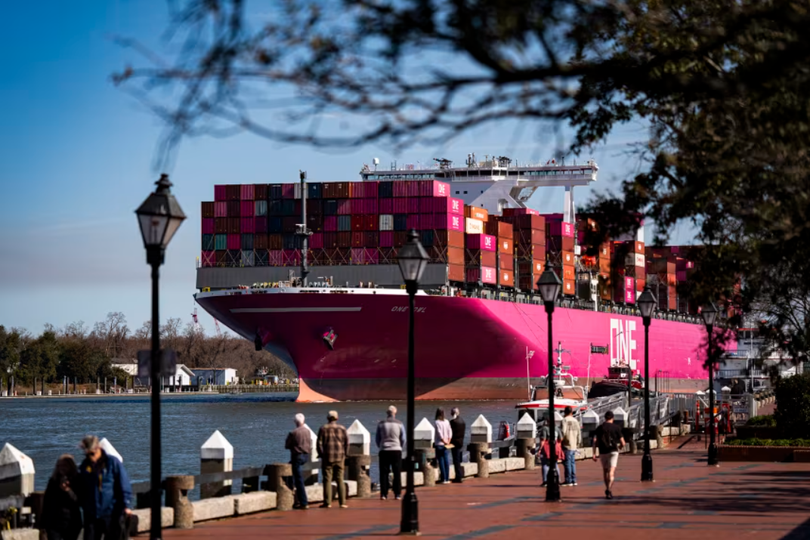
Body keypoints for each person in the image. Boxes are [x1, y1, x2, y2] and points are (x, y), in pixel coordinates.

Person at [77, 435, 132, 540]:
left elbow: (124, 484)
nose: (91, 458)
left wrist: (126, 504)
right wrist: (84, 505)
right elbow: (81, 487)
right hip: (91, 514)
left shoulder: (112, 463)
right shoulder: (85, 466)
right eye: (87, 455)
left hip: (111, 513)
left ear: (98, 448)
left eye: (92, 454)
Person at [41, 455, 83, 540]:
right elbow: (46, 502)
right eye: (59, 466)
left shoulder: (77, 480)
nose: (62, 468)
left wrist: (68, 491)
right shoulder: (53, 481)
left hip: (72, 520)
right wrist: (43, 524)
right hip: (54, 521)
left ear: (70, 466)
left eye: (64, 465)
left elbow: (79, 501)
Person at [316, 410, 349, 508]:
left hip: (327, 457)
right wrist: (345, 454)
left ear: (327, 418)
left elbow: (319, 444)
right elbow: (347, 443)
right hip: (340, 457)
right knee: (340, 479)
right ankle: (342, 503)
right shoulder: (342, 428)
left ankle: (327, 503)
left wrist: (321, 454)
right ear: (337, 418)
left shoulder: (323, 428)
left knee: (327, 480)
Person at [592, 411, 626, 499]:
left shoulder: (599, 428)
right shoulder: (616, 427)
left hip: (603, 451)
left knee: (605, 471)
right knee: (611, 471)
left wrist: (594, 453)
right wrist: (620, 447)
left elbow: (595, 441)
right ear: (612, 418)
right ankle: (609, 489)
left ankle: (607, 488)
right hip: (613, 451)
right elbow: (623, 442)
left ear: (605, 418)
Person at [375, 405, 405, 500]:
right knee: (397, 473)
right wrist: (399, 447)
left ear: (387, 413)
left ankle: (384, 494)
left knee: (384, 473)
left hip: (384, 450)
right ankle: (397, 494)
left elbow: (377, 439)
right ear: (395, 413)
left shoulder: (381, 424)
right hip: (396, 450)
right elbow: (403, 439)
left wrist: (381, 446)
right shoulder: (400, 424)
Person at [285, 413, 311, 509]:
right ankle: (296, 497)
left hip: (297, 456)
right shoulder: (308, 431)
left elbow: (287, 445)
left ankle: (303, 502)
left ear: (295, 422)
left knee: (298, 480)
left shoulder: (293, 432)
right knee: (295, 474)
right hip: (306, 456)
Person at [561, 406, 582, 486]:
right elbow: (579, 433)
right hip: (574, 445)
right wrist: (578, 443)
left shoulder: (564, 420)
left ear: (565, 412)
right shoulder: (575, 421)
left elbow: (563, 432)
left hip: (567, 444)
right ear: (571, 412)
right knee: (572, 463)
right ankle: (574, 480)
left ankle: (568, 480)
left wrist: (560, 442)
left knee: (567, 463)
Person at [433, 408, 452, 484]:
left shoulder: (437, 422)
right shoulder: (447, 421)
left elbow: (439, 433)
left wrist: (444, 441)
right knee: (446, 461)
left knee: (441, 461)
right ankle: (447, 478)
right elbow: (450, 431)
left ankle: (443, 478)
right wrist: (448, 441)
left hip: (439, 444)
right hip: (447, 443)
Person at [449, 408, 466, 483]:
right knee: (459, 459)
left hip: (454, 442)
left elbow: (450, 432)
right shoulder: (462, 421)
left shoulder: (453, 422)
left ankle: (458, 476)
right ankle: (460, 475)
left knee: (456, 460)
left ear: (453, 413)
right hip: (460, 442)